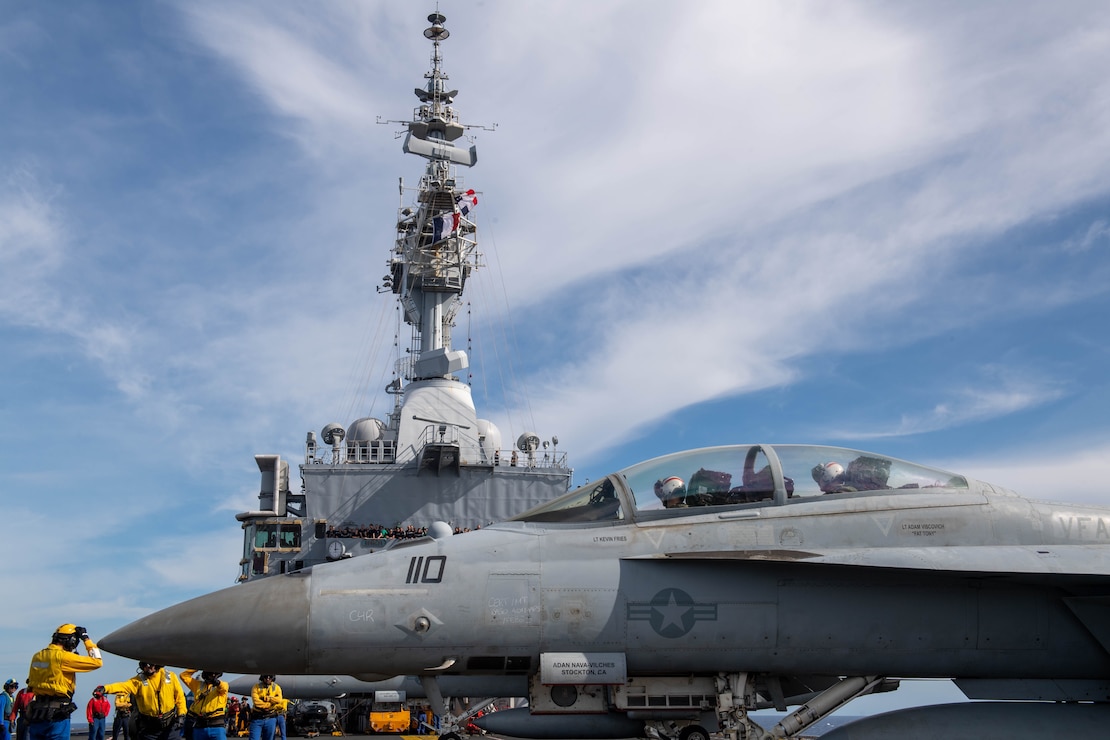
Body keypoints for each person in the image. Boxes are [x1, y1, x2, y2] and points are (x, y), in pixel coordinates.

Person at [26, 624, 103, 740]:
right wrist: (86, 639)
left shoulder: (37, 656)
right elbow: (97, 662)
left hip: (37, 714)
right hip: (57, 715)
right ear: (71, 640)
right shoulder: (64, 657)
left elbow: (30, 684)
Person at [100, 663, 186, 740]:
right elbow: (123, 686)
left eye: (150, 664)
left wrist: (181, 714)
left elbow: (180, 697)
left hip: (170, 727)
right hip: (149, 728)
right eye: (145, 665)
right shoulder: (138, 681)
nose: (148, 667)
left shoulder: (171, 677)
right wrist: (105, 688)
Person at [180, 671, 228, 740]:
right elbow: (183, 676)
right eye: (211, 674)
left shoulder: (222, 686)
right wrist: (198, 666)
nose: (213, 675)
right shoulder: (198, 685)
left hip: (216, 727)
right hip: (200, 727)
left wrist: (217, 683)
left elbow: (224, 687)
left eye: (214, 674)